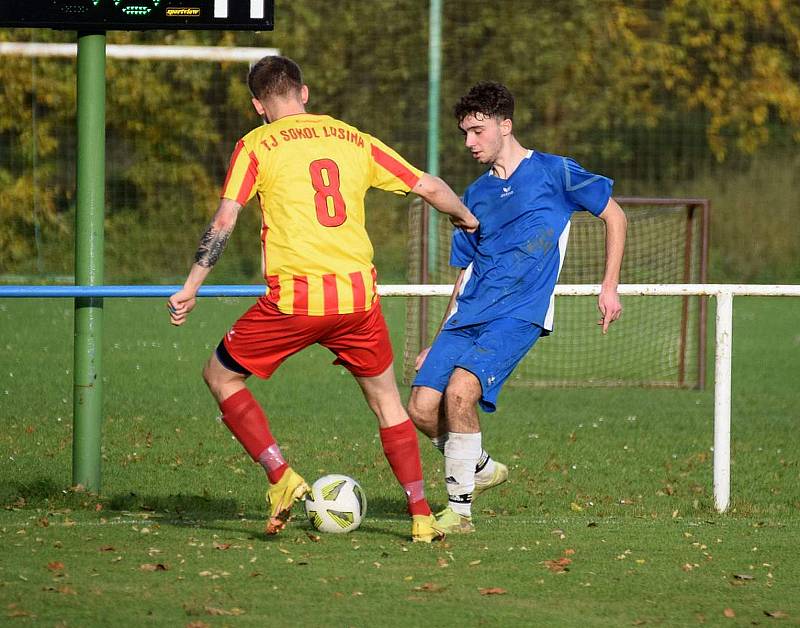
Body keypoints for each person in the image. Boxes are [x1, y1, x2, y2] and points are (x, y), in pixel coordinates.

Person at [167, 55, 478, 543]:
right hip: (358, 303)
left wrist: (191, 286)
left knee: (220, 375)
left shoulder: (255, 144)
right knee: (388, 405)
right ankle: (420, 515)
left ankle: (281, 476)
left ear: (257, 105)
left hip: (295, 302)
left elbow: (225, 220)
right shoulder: (352, 138)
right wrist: (467, 218)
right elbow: (429, 186)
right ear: (304, 93)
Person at [408, 82, 627, 533]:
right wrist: (435, 342)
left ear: (505, 126)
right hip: (467, 315)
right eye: (464, 133)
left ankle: (459, 513)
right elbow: (464, 272)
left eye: (477, 131)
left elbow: (614, 215)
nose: (469, 142)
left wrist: (609, 285)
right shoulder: (474, 193)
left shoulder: (554, 172)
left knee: (461, 393)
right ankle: (481, 467)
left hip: (518, 315)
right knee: (422, 408)